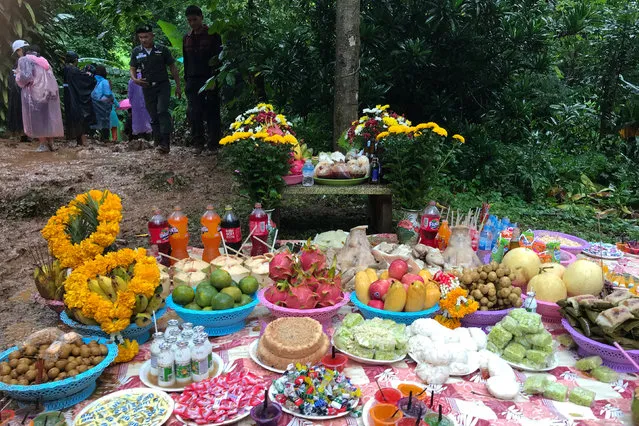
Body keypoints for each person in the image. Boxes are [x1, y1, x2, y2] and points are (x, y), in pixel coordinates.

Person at [129, 24, 182, 154]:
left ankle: (165, 143)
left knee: (162, 111)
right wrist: (135, 79)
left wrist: (178, 86)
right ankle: (157, 141)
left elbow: (173, 67)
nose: (143, 40)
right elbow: (132, 68)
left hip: (162, 85)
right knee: (153, 114)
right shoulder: (137, 51)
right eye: (141, 37)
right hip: (147, 87)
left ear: (152, 36)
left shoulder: (162, 50)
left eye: (146, 37)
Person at [183, 5, 223, 155]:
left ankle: (213, 144)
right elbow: (186, 62)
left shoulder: (213, 35)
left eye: (195, 19)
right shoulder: (186, 38)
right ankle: (198, 143)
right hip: (192, 80)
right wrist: (186, 81)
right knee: (195, 112)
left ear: (201, 17)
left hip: (210, 79)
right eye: (189, 20)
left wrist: (215, 80)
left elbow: (219, 59)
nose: (192, 23)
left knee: (212, 111)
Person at [15, 45, 64, 152]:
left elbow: (26, 77)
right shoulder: (44, 61)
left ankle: (42, 144)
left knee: (37, 118)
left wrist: (17, 76)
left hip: (35, 93)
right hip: (50, 94)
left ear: (26, 52)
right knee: (48, 117)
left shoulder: (24, 60)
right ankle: (51, 142)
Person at [63, 51, 96, 146]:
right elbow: (84, 81)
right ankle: (83, 141)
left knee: (73, 117)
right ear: (76, 60)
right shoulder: (73, 70)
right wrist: (89, 75)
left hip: (68, 96)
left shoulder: (66, 69)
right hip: (75, 98)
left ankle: (78, 140)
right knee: (80, 118)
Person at [8, 40, 28, 140]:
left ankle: (22, 133)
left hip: (19, 89)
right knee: (19, 110)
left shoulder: (23, 60)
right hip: (17, 90)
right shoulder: (20, 62)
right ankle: (20, 133)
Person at [90, 65, 115, 141]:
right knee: (105, 122)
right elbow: (108, 94)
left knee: (93, 121)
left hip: (91, 103)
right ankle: (105, 138)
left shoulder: (91, 79)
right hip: (102, 106)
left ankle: (91, 137)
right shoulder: (104, 82)